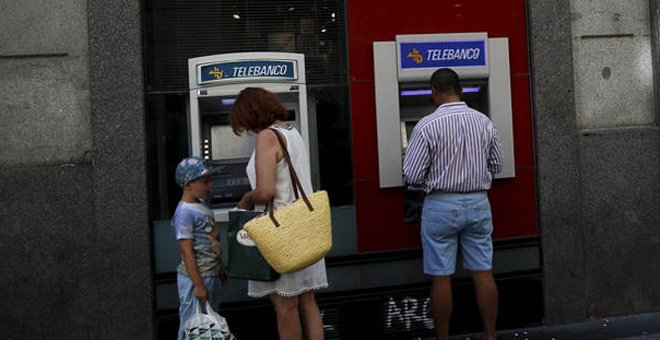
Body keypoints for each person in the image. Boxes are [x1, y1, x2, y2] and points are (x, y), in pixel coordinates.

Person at [403, 68, 503, 340]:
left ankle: (443, 338)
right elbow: (498, 164)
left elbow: (412, 175)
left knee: (441, 276)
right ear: (461, 90)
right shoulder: (484, 122)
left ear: (434, 92)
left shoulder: (426, 125)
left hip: (440, 205)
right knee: (483, 273)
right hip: (478, 201)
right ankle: (491, 335)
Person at [231, 87, 328, 340]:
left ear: (251, 114)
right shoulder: (292, 131)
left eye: (244, 122)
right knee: (308, 302)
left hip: (281, 233)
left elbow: (265, 191)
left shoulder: (267, 136)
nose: (247, 130)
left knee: (285, 306)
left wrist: (245, 198)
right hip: (304, 228)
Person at [171, 156, 229, 340]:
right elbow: (187, 251)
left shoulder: (202, 205)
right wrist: (197, 284)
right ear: (188, 184)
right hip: (196, 278)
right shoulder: (184, 213)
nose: (210, 186)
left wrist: (220, 267)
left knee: (208, 324)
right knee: (191, 323)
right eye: (205, 182)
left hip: (210, 275)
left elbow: (212, 240)